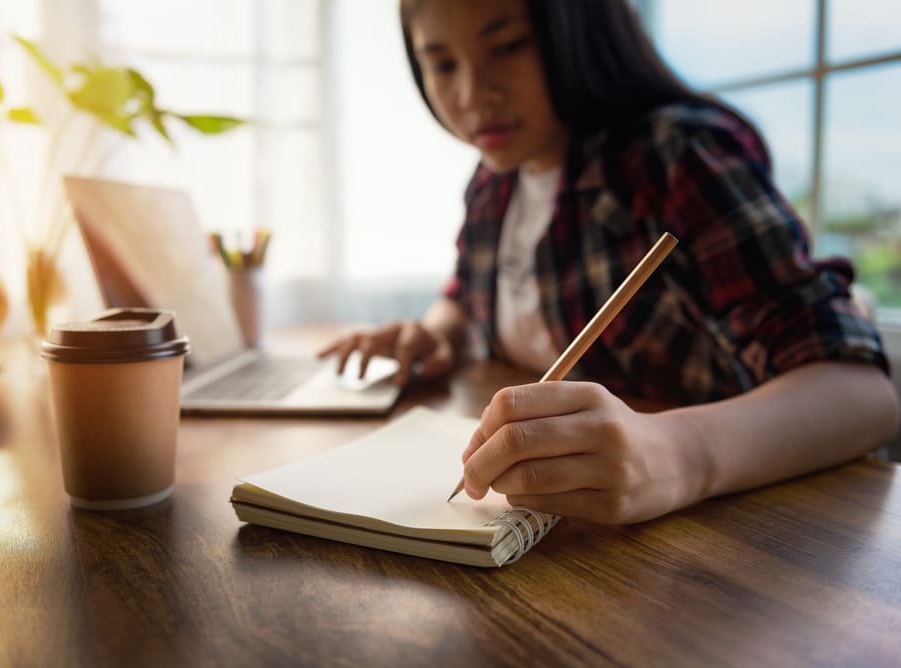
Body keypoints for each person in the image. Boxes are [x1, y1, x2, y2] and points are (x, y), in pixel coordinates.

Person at [318, 0, 899, 524]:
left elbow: (861, 394)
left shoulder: (678, 157)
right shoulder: (493, 185)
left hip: (739, 548)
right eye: (442, 64)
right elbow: (465, 295)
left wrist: (679, 454)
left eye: (508, 46)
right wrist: (436, 334)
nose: (473, 94)